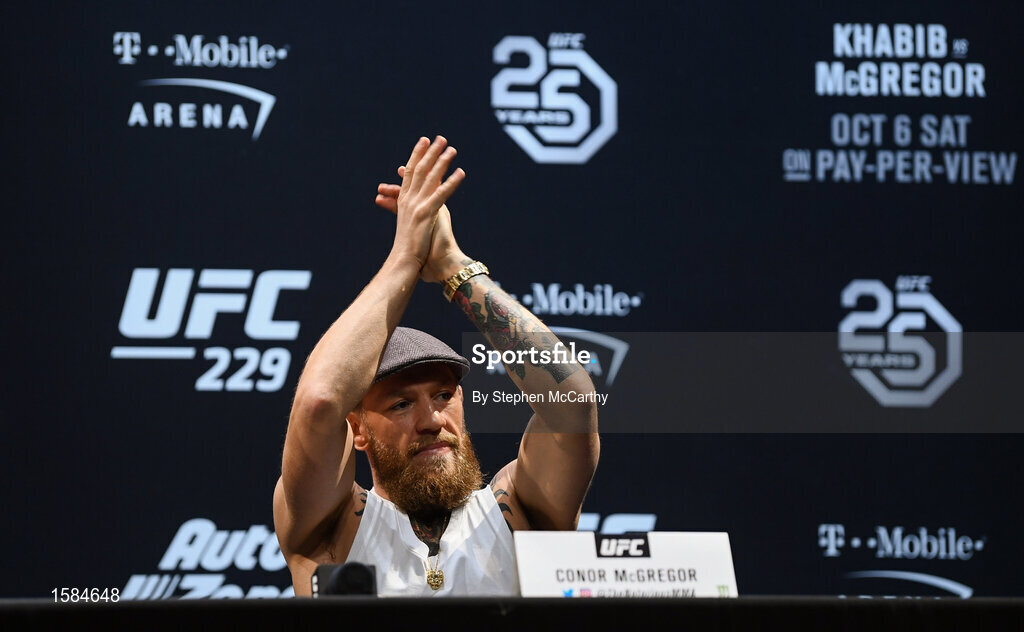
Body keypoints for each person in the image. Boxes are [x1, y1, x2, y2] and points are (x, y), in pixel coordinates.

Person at [273, 136, 600, 596]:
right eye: (402, 404)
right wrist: (405, 256)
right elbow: (321, 401)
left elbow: (573, 400)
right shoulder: (332, 525)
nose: (432, 421)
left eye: (444, 395)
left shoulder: (520, 509)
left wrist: (453, 266)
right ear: (358, 429)